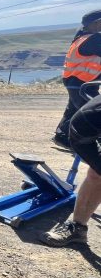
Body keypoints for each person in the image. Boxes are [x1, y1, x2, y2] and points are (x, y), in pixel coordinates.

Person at [43, 92, 101, 246]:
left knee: (96, 174)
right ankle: (77, 228)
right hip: (82, 133)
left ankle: (78, 228)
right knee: (97, 174)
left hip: (88, 125)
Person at [53, 10, 101, 148]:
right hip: (82, 83)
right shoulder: (93, 39)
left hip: (76, 82)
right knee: (93, 112)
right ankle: (86, 142)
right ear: (96, 23)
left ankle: (61, 136)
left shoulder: (81, 38)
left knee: (74, 110)